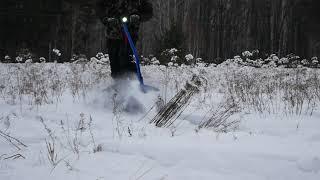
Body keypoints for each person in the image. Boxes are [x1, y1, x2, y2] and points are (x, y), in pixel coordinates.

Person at [95, 0, 153, 79]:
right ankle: (118, 83)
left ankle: (134, 81)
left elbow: (148, 12)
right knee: (114, 60)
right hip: (113, 33)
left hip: (130, 32)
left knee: (126, 57)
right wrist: (106, 19)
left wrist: (138, 16)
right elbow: (99, 7)